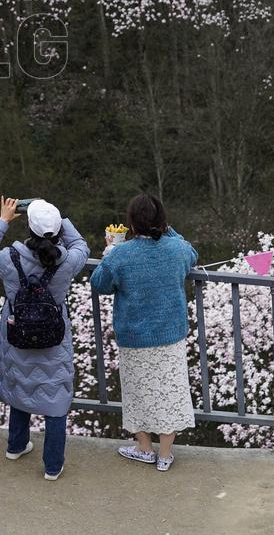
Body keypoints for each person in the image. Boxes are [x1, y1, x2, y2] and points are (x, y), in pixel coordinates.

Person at [0, 196, 89, 480]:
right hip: (54, 335)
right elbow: (82, 247)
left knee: (19, 383)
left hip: (17, 331)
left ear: (28, 227)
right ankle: (52, 466)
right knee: (55, 395)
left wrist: (2, 221)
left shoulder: (8, 259)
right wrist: (60, 218)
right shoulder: (67, 262)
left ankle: (16, 445)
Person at [90, 193, 198, 472]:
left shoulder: (122, 254)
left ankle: (144, 448)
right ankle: (164, 455)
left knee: (138, 392)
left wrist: (110, 251)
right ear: (162, 220)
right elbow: (192, 254)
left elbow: (99, 283)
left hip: (134, 336)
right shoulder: (176, 249)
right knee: (170, 392)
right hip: (170, 334)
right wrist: (168, 230)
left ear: (131, 223)